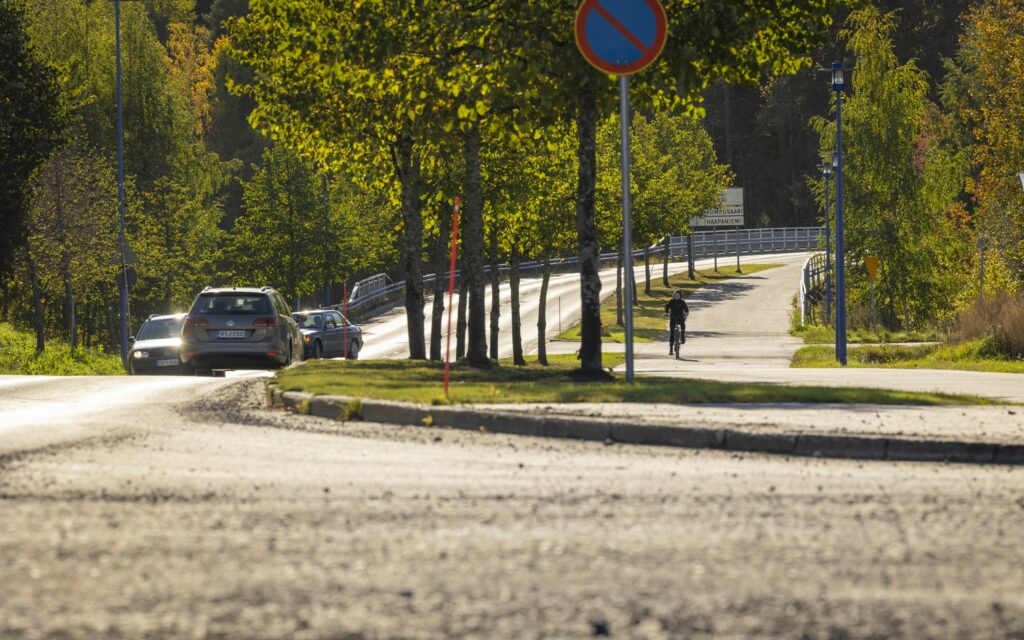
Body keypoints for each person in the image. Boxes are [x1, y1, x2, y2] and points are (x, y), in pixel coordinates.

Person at [664, 289, 689, 354]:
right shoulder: (671, 301)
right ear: (673, 295)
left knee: (683, 324)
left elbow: (686, 309)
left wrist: (686, 314)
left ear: (680, 296)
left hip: (680, 317)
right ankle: (671, 349)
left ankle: (682, 336)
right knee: (672, 333)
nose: (676, 296)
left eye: (678, 295)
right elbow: (667, 307)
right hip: (673, 317)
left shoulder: (682, 302)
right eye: (675, 295)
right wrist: (666, 313)